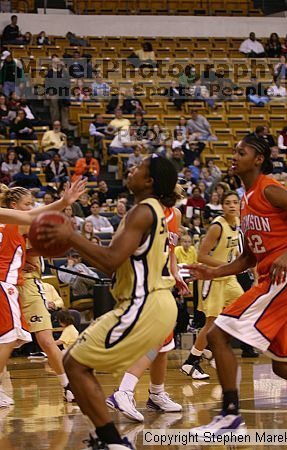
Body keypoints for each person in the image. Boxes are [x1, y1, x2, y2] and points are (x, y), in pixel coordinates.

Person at [36, 155, 179, 449]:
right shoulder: (151, 210)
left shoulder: (142, 212)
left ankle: (114, 440)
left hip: (144, 303)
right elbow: (113, 259)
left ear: (149, 181)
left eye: (139, 168)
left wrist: (71, 236)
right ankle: (111, 437)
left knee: (74, 364)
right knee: (75, 363)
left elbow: (111, 261)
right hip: (153, 303)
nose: (132, 169)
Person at [185, 134, 287, 435]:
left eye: (241, 152)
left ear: (258, 159)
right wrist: (214, 272)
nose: (234, 156)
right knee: (282, 365)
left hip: (286, 278)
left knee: (217, 334)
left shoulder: (271, 190)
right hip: (272, 278)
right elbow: (248, 258)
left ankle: (230, 418)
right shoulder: (246, 202)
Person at [0, 178, 85, 406]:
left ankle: (67, 385)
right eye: (28, 203)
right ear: (14, 205)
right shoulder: (17, 221)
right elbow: (31, 225)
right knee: (7, 339)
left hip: (25, 284)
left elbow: (30, 246)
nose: (32, 206)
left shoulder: (18, 222)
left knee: (45, 339)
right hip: (11, 282)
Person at [105, 201, 187, 422]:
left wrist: (175, 271)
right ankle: (124, 391)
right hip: (142, 283)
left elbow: (170, 250)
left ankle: (157, 393)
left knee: (165, 344)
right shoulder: (143, 212)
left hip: (162, 282)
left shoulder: (175, 214)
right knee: (156, 340)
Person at [181, 191, 243, 380]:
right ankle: (191, 362)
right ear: (221, 206)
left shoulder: (238, 222)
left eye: (235, 202)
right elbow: (202, 256)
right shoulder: (218, 226)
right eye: (228, 203)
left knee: (242, 309)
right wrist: (228, 266)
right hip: (213, 278)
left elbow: (237, 251)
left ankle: (209, 349)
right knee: (211, 323)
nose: (232, 206)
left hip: (229, 278)